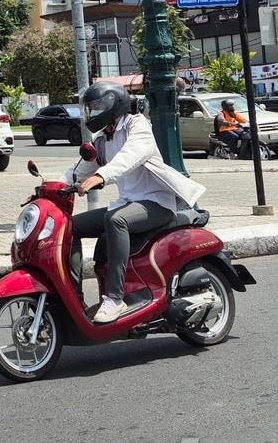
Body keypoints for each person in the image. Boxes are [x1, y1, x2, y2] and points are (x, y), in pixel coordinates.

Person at [71, 82, 206, 324]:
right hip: (127, 202)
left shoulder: (138, 125)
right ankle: (73, 296)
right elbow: (80, 170)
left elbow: (130, 156)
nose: (93, 113)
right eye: (91, 109)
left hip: (156, 203)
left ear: (114, 105)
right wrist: (50, 187)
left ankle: (115, 298)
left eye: (98, 107)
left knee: (116, 220)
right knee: (69, 226)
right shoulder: (101, 138)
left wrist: (101, 176)